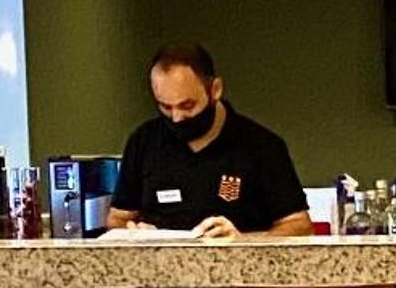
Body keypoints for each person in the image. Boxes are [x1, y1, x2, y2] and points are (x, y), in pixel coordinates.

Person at [106, 42, 313, 238]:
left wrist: (243, 241)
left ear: (215, 90)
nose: (177, 118)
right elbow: (118, 218)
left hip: (237, 262)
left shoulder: (263, 146)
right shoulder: (143, 141)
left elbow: (299, 226)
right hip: (160, 262)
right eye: (165, 107)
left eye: (187, 106)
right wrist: (133, 234)